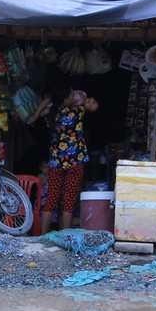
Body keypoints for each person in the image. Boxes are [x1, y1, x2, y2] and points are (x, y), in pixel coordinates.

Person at [40, 86, 99, 235]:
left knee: (51, 199)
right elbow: (93, 107)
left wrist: (38, 112)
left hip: (56, 162)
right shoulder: (77, 111)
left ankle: (42, 234)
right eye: (72, 94)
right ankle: (65, 234)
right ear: (66, 99)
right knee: (69, 200)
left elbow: (42, 111)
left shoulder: (51, 114)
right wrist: (89, 102)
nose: (75, 96)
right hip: (75, 162)